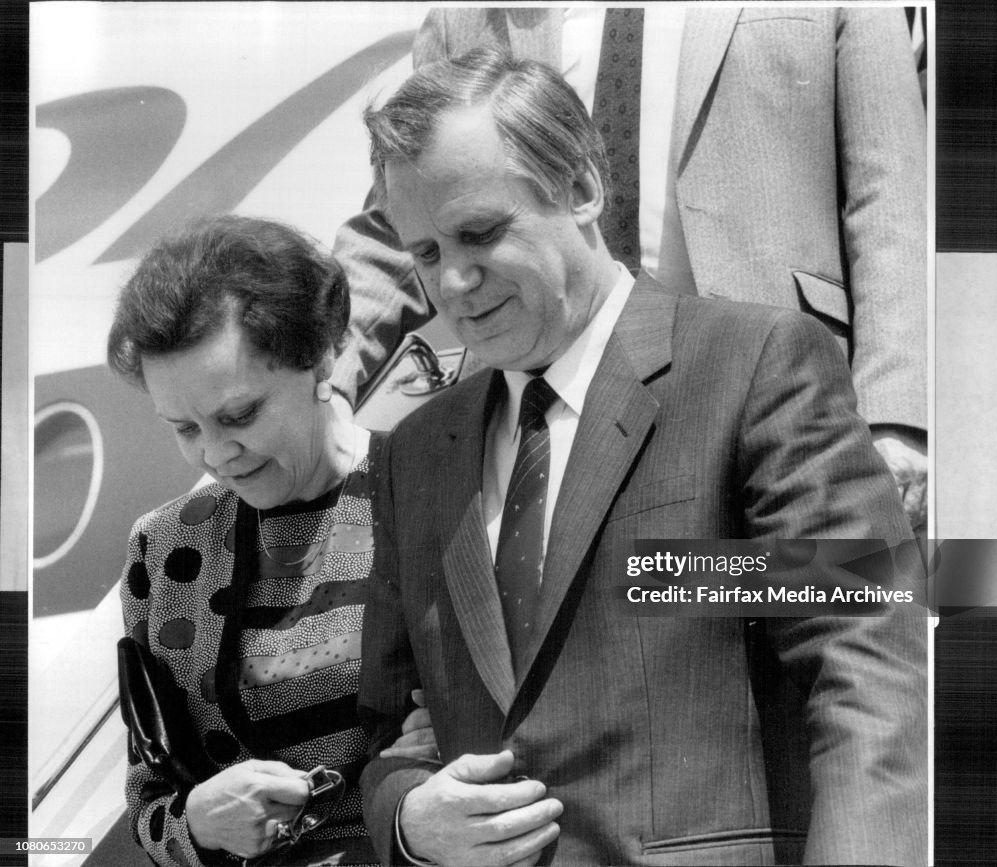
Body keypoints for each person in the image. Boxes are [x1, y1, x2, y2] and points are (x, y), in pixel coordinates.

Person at [356, 49, 926, 866]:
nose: (454, 279)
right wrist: (411, 820)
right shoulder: (417, 452)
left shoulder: (755, 366)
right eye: (424, 253)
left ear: (583, 187)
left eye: (479, 232)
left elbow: (867, 665)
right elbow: (385, 729)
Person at [331, 5, 928, 531]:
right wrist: (323, 374)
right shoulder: (470, 17)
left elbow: (893, 192)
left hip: (779, 404)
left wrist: (896, 417)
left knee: (820, 602)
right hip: (555, 413)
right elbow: (408, 217)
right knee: (615, 638)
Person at [108, 215, 435, 866]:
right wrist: (197, 823)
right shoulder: (165, 549)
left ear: (320, 357)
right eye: (184, 427)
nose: (215, 452)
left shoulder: (435, 495)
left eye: (239, 415)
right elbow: (150, 803)